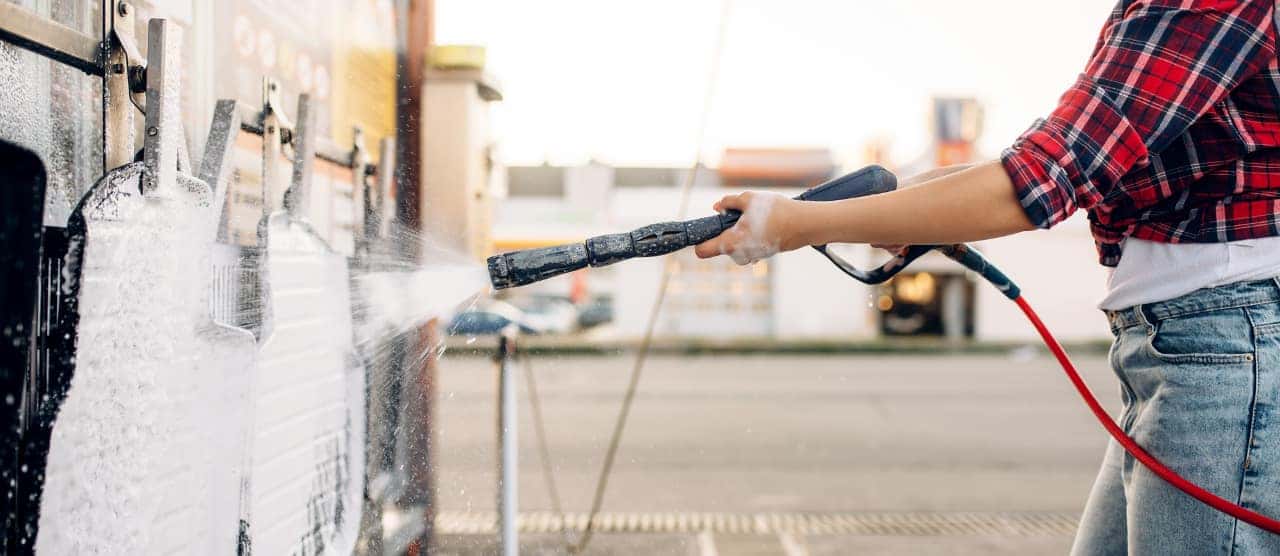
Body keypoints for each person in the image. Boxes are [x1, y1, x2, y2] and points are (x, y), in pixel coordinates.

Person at [694, 1, 1280, 554]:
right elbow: (1074, 159)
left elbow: (1041, 176)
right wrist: (904, 204)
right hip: (1188, 344)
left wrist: (799, 225)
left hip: (1225, 343)